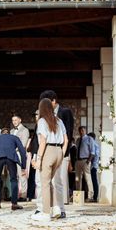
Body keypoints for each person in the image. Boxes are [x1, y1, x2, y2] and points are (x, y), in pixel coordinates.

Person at [31, 98, 68, 222]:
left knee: (45, 183)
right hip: (59, 151)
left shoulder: (42, 121)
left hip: (48, 151)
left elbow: (43, 141)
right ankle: (56, 208)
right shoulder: (59, 120)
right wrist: (61, 154)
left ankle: (46, 213)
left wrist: (39, 159)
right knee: (50, 182)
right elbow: (66, 140)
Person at [39, 90, 74, 218]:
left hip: (61, 151)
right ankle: (50, 208)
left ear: (53, 101)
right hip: (51, 150)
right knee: (47, 181)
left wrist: (64, 153)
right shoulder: (44, 117)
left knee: (59, 182)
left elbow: (69, 133)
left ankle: (61, 208)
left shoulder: (65, 112)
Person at [0, 128, 27, 210]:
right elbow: (22, 151)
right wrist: (23, 166)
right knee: (13, 179)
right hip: (11, 157)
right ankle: (14, 203)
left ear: (1, 134)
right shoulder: (14, 137)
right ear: (9, 133)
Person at [11, 114, 30, 200]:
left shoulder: (25, 130)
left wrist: (13, 149)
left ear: (20, 120)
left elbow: (23, 144)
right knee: (13, 175)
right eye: (13, 120)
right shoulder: (11, 131)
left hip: (20, 154)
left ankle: (23, 195)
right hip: (11, 154)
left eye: (16, 120)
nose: (14, 122)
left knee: (22, 174)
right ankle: (14, 194)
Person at [75, 126, 95, 201]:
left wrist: (88, 161)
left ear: (85, 131)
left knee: (88, 178)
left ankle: (90, 196)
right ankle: (78, 197)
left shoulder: (90, 139)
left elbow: (93, 152)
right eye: (80, 130)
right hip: (78, 161)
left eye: (83, 130)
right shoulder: (78, 140)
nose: (81, 132)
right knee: (77, 179)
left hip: (85, 160)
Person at [87, 132, 100, 203]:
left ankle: (95, 197)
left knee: (93, 181)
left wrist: (89, 161)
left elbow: (93, 154)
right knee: (94, 181)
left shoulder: (94, 144)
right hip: (94, 165)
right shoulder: (96, 144)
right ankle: (95, 196)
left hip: (93, 165)